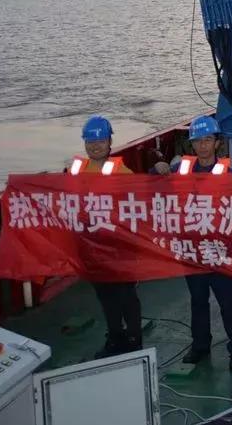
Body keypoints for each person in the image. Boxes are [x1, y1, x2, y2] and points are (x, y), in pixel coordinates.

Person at [160, 115, 232, 373]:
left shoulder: (228, 174)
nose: (203, 146)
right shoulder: (181, 170)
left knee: (228, 302)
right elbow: (151, 183)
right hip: (193, 250)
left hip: (220, 251)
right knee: (198, 300)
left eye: (208, 140)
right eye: (198, 141)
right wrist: (158, 167)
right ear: (192, 144)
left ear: (217, 143)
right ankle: (200, 345)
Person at [71, 115, 142, 358]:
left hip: (119, 247)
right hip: (92, 246)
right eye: (90, 142)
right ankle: (115, 336)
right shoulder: (76, 171)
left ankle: (134, 339)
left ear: (109, 142)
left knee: (126, 295)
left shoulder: (123, 173)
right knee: (105, 295)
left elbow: (135, 211)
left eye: (100, 141)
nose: (95, 146)